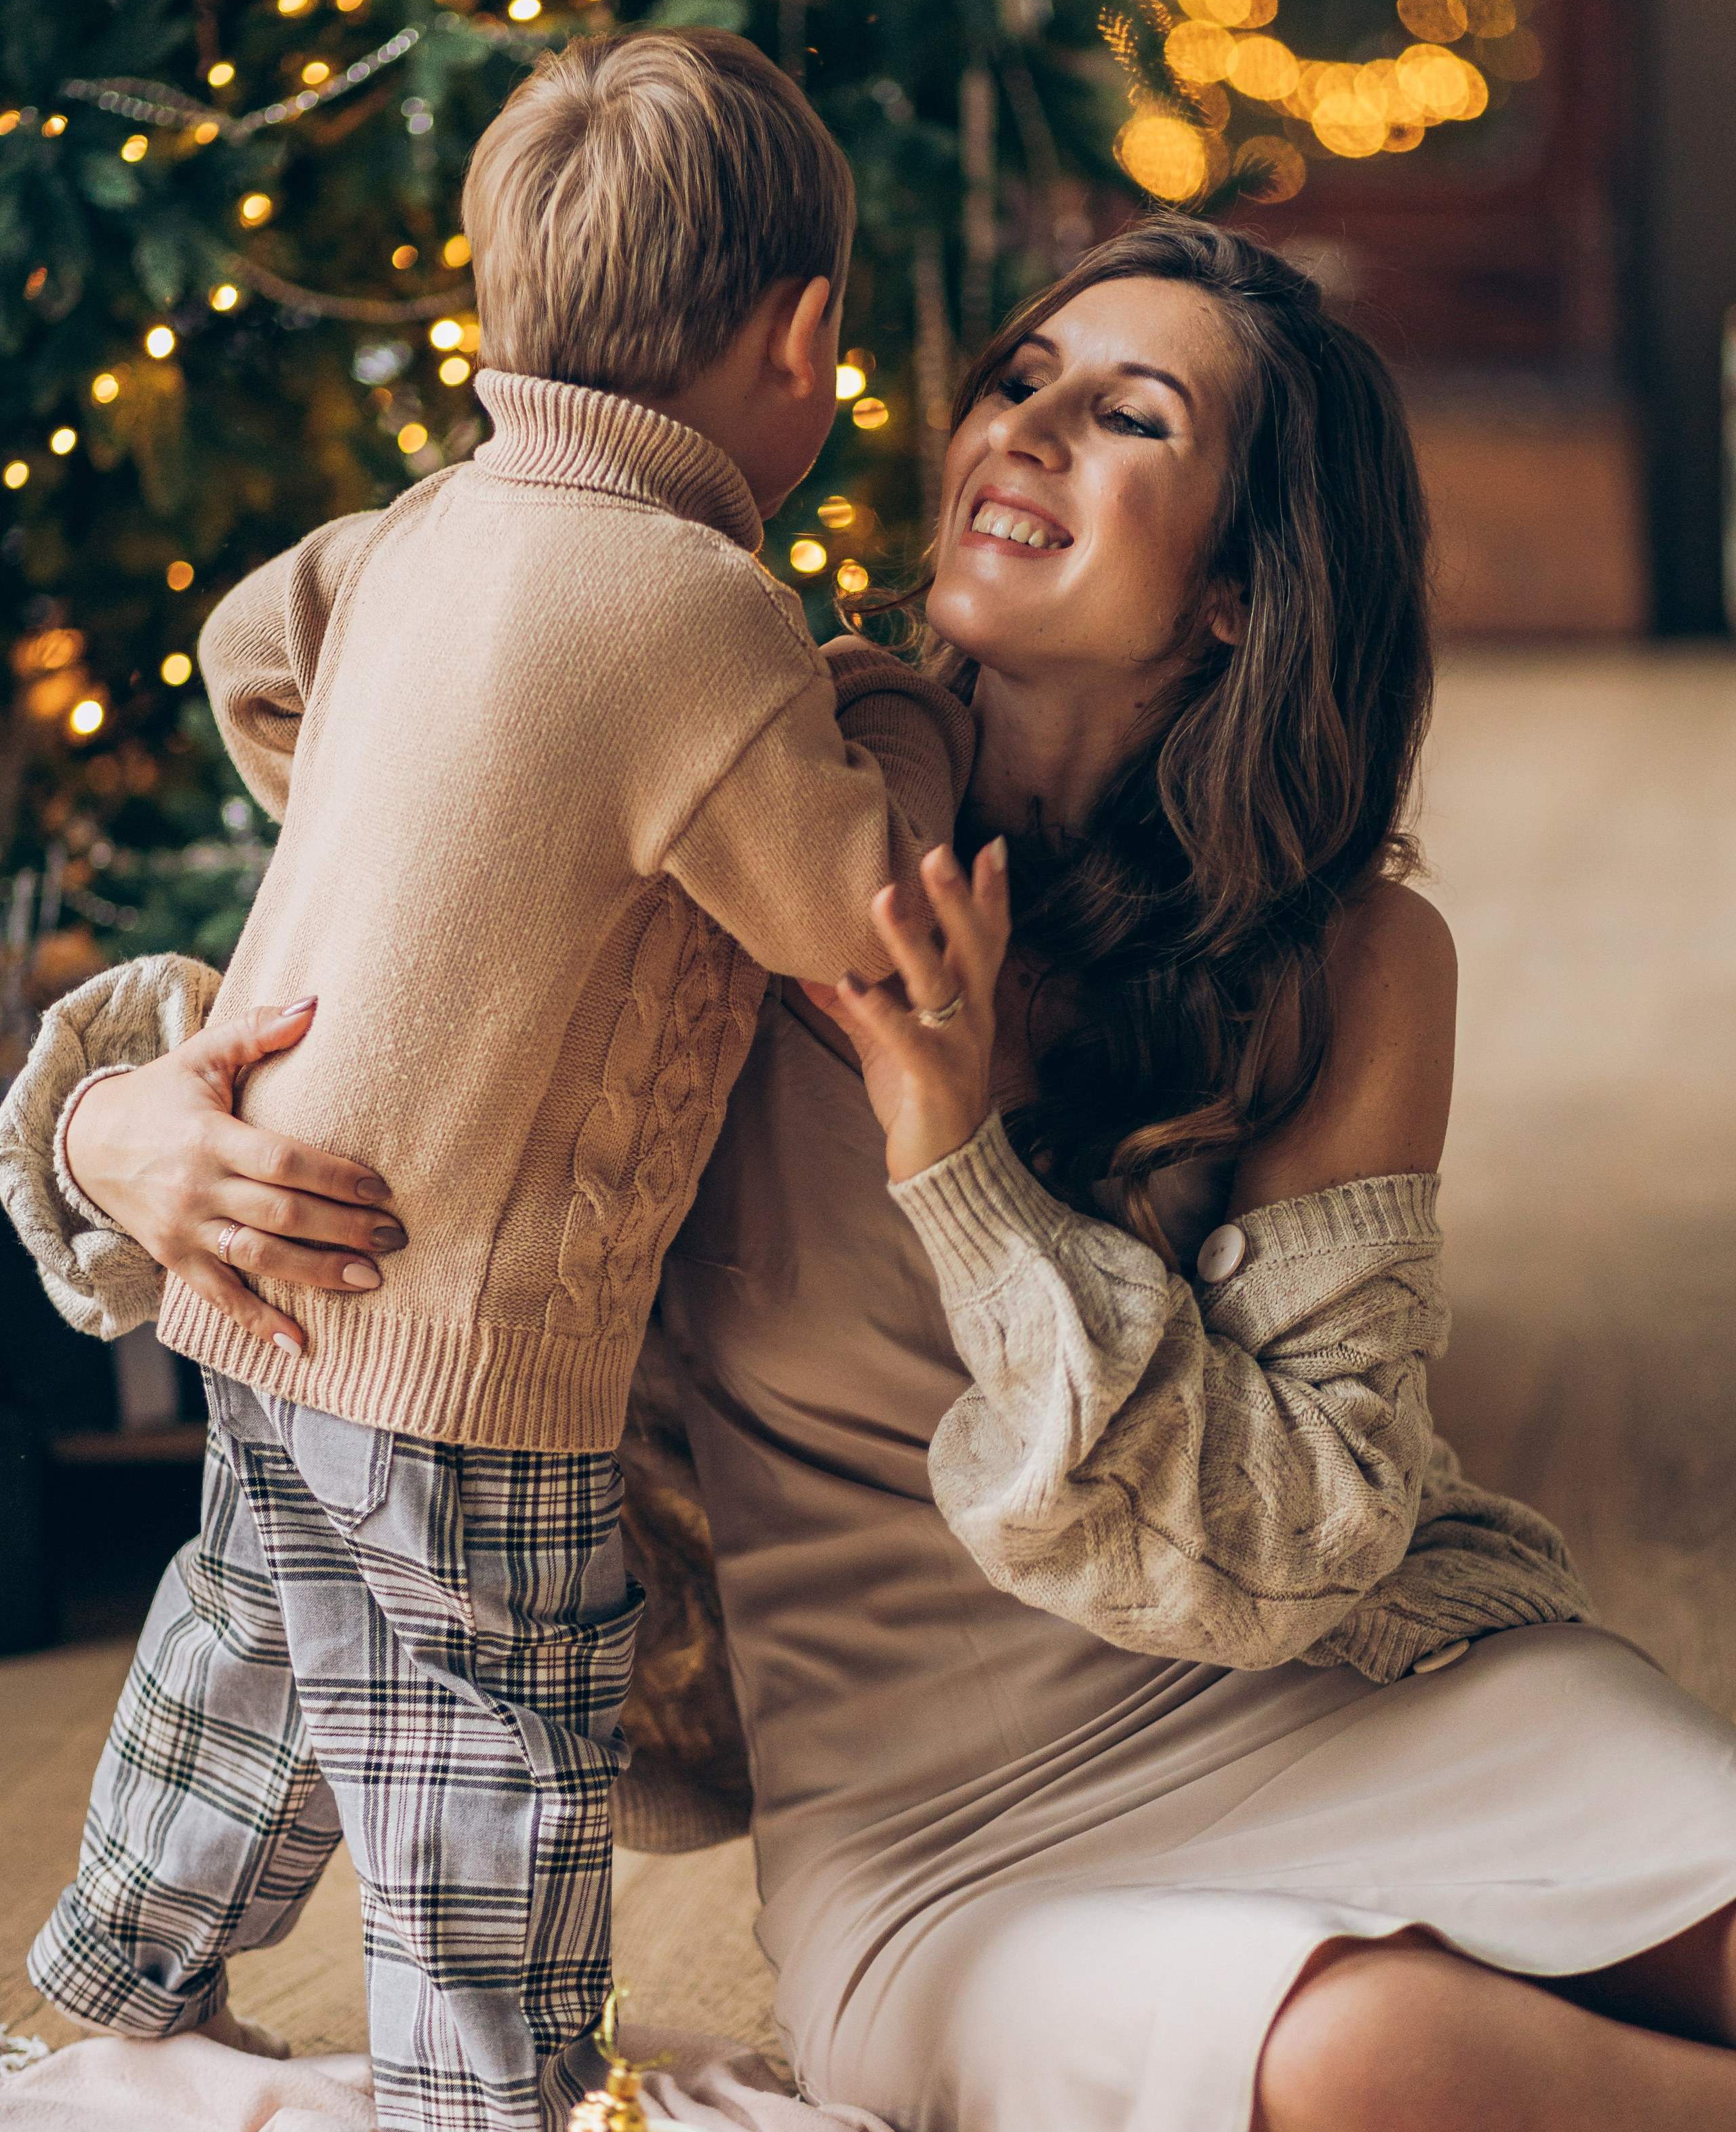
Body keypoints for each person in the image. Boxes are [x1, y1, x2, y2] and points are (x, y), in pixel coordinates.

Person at [10, 218, 1736, 2132]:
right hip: (939, 1844)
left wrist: (962, 1166)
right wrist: (113, 1126)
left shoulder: (1350, 964)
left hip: (1356, 1693)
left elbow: (1304, 1523)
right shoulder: (750, 772)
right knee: (1362, 2055)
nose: (1027, 430)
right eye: (1022, 382)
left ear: (1246, 584)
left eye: (1127, 416)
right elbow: (380, 977)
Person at [0, 27, 972, 2132]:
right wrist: (884, 705)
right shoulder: (707, 615)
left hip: (257, 1247)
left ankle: (118, 1979)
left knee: (256, 1620)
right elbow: (855, 909)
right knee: (487, 1732)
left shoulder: (431, 523)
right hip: (463, 1331)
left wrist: (372, 811)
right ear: (803, 338)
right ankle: (480, 2097)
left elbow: (251, 652)